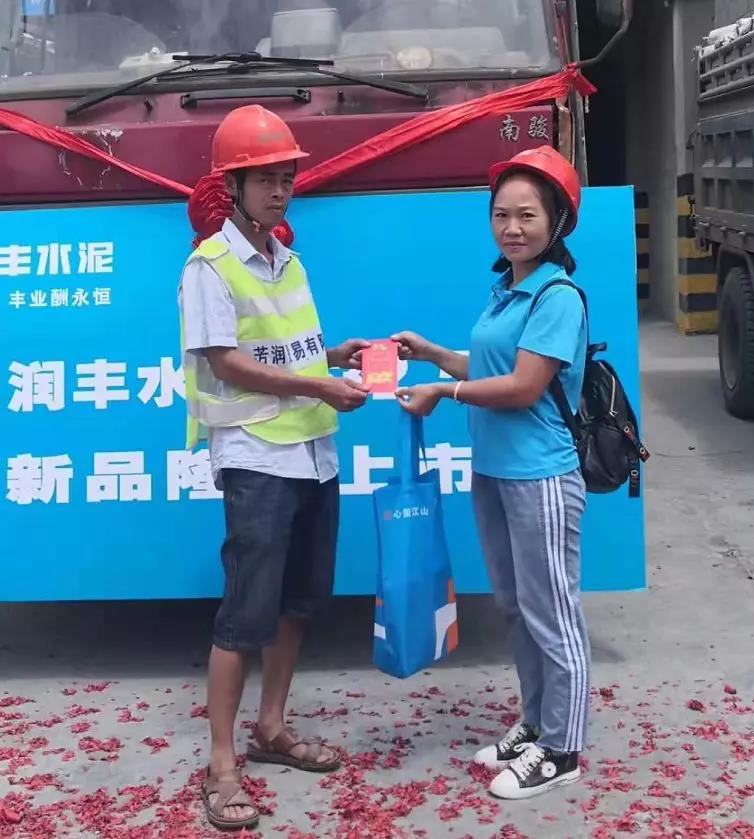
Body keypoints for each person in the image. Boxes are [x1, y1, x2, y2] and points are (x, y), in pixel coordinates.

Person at [179, 104, 370, 831]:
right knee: (244, 614)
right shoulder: (210, 266)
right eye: (264, 178)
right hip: (257, 456)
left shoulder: (288, 259)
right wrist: (319, 385)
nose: (280, 189)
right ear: (231, 185)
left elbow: (288, 349)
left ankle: (271, 726)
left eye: (286, 177)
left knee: (296, 603)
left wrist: (335, 358)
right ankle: (222, 764)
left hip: (313, 453)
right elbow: (226, 361)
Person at [394, 146, 590, 801]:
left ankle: (561, 747)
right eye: (501, 214)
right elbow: (487, 367)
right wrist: (433, 354)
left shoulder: (557, 296)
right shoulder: (506, 288)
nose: (512, 227)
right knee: (516, 607)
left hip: (541, 476)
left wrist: (442, 392)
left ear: (557, 221)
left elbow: (523, 386)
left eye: (527, 215)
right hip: (495, 472)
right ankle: (535, 722)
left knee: (552, 610)